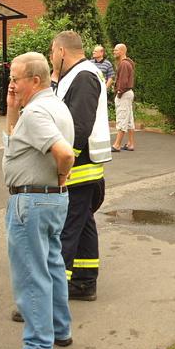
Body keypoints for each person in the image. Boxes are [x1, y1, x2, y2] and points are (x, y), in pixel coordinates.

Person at [2, 52, 75, 349]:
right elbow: (20, 140)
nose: (12, 85)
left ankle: (38, 346)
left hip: (32, 200)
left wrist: (62, 173)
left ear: (34, 80)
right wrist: (10, 109)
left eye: (16, 79)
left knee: (31, 274)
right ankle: (60, 330)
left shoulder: (36, 113)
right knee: (52, 264)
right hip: (50, 200)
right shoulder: (54, 105)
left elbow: (65, 153)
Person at [50, 30, 112, 301]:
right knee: (83, 224)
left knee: (66, 230)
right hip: (82, 166)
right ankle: (85, 282)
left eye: (52, 52)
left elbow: (79, 126)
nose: (51, 58)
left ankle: (52, 294)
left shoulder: (84, 76)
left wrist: (65, 163)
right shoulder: (75, 75)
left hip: (77, 168)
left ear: (61, 51)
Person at [110, 43, 136, 152]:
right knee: (129, 119)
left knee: (122, 118)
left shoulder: (124, 64)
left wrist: (119, 92)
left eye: (116, 50)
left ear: (122, 51)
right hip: (128, 93)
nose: (114, 52)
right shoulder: (127, 63)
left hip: (124, 94)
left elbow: (123, 81)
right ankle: (130, 143)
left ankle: (116, 145)